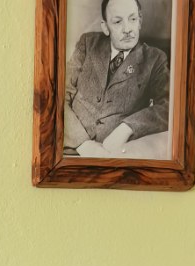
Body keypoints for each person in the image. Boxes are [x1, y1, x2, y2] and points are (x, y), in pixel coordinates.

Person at [65, 0, 169, 156]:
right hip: (66, 148)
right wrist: (82, 143)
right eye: (118, 22)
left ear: (140, 21)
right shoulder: (87, 44)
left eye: (132, 19)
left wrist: (127, 127)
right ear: (105, 27)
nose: (127, 29)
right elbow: (59, 94)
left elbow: (169, 106)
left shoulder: (155, 59)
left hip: (113, 154)